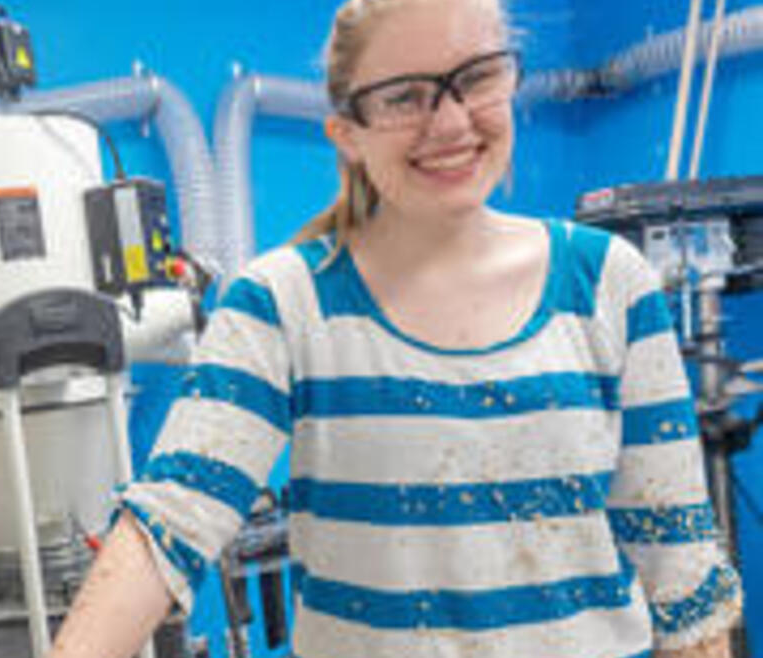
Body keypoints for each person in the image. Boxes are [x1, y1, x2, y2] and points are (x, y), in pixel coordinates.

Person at [50, 0, 743, 656]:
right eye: (404, 97)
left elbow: (681, 570)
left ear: (511, 78)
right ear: (347, 133)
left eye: (475, 78)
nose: (448, 123)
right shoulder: (283, 302)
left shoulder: (608, 284)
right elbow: (168, 525)